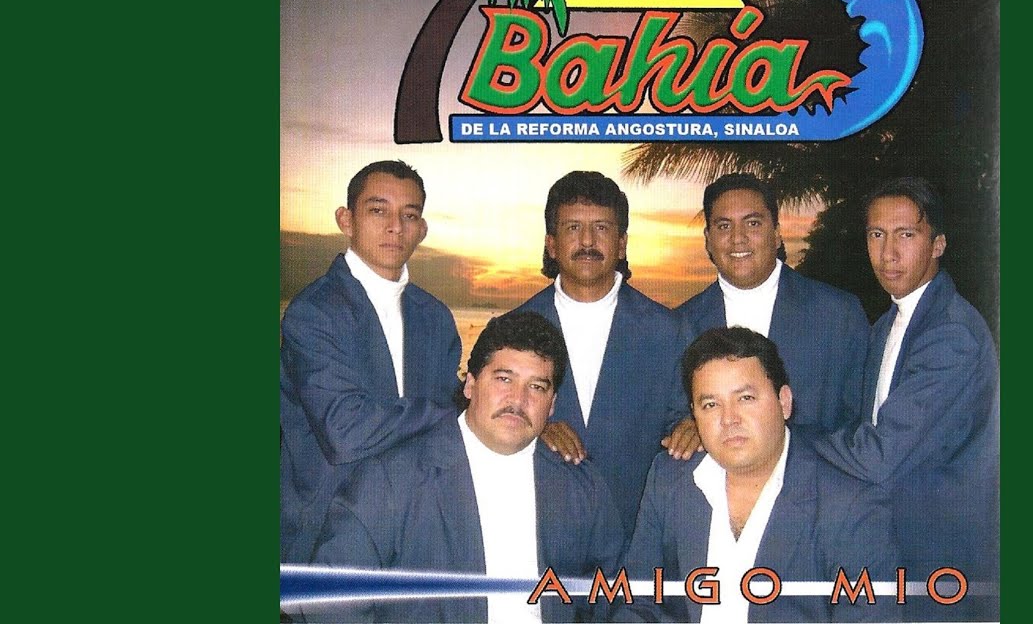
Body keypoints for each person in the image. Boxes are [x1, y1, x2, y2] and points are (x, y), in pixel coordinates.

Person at [303, 311, 624, 623]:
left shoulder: (579, 486)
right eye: (504, 379)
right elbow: (331, 599)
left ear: (552, 404)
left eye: (536, 387)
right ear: (470, 384)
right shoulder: (392, 480)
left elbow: (615, 596)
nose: (518, 399)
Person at [618, 327, 897, 623]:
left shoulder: (851, 506)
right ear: (694, 414)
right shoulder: (670, 478)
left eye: (746, 398)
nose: (729, 419)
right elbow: (638, 599)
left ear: (784, 402)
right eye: (711, 404)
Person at [815, 176, 999, 619]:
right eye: (877, 235)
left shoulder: (951, 334)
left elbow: (880, 456)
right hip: (894, 552)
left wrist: (782, 436)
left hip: (946, 563)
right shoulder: (887, 324)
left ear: (938, 245)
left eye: (906, 235)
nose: (888, 253)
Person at [280, 160, 462, 563]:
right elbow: (345, 431)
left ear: (422, 229)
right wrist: (449, 410)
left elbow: (457, 420)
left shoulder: (434, 316)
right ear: (346, 220)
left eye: (409, 215)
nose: (395, 226)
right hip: (324, 534)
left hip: (415, 533)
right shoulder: (314, 312)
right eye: (378, 210)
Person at [513, 171, 688, 543]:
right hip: (536, 536)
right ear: (551, 244)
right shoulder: (511, 330)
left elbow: (687, 422)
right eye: (573, 228)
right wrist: (534, 428)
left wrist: (695, 427)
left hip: (639, 539)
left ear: (622, 244)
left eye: (602, 228)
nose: (588, 241)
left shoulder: (670, 331)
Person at [674, 173, 870, 450]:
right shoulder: (680, 325)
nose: (738, 238)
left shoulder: (838, 314)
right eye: (724, 226)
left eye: (752, 223)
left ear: (777, 233)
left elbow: (861, 421)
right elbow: (671, 417)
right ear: (708, 239)